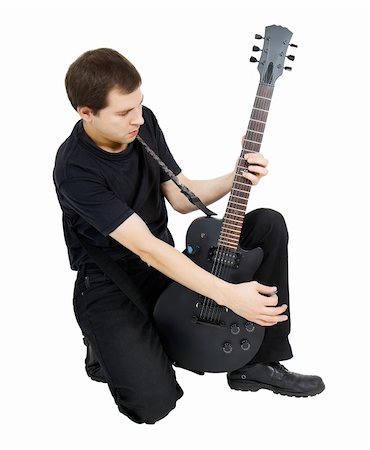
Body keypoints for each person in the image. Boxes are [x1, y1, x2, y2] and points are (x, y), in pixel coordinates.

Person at [53, 48, 325, 425]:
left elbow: (181, 198)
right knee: (153, 405)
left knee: (267, 225)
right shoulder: (75, 170)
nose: (137, 119)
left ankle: (260, 362)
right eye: (123, 112)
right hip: (109, 281)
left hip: (161, 266)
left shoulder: (142, 123)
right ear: (86, 112)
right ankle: (103, 349)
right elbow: (145, 247)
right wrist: (230, 295)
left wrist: (236, 175)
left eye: (139, 105)